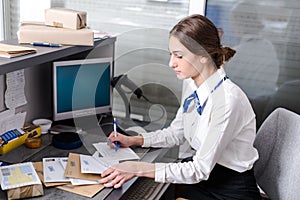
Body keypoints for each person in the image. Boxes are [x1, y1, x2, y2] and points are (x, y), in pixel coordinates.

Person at [99, 14, 261, 200]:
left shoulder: (227, 101)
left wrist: (138, 168)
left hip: (232, 191)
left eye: (179, 56)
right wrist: (135, 140)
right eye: (171, 55)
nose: (171, 63)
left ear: (203, 57)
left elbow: (199, 169)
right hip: (206, 181)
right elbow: (176, 132)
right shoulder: (194, 85)